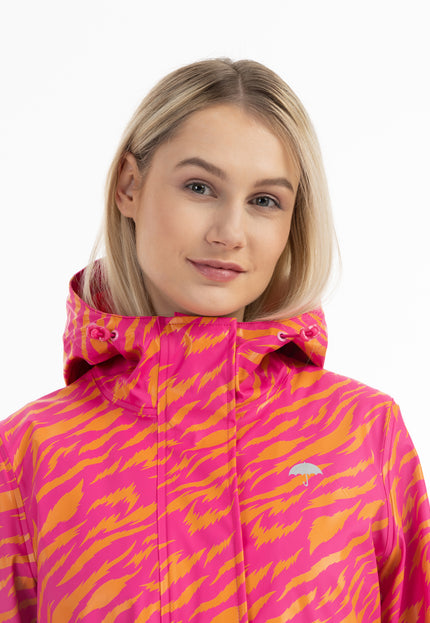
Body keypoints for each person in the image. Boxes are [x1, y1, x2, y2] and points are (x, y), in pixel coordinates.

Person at [0, 58, 429, 622]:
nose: (229, 233)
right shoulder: (32, 455)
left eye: (265, 201)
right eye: (200, 187)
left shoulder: (362, 433)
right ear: (129, 186)